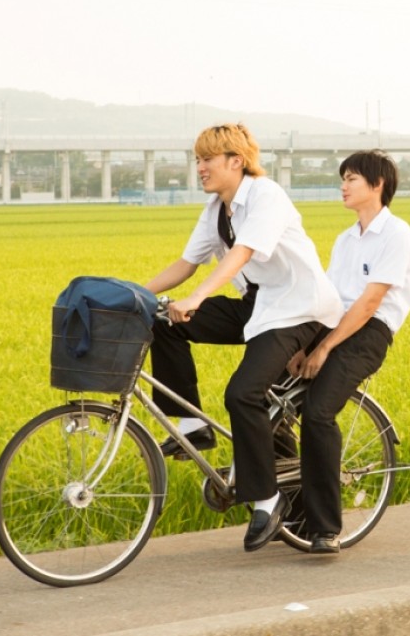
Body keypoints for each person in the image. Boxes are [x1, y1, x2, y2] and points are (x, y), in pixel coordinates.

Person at [145, 123, 342, 553]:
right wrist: (137, 294)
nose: (200, 168)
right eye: (197, 160)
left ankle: (267, 499)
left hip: (298, 308)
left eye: (207, 160)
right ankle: (193, 425)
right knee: (160, 321)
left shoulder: (266, 195)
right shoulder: (218, 208)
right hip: (259, 305)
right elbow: (187, 262)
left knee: (243, 394)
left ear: (236, 161)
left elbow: (242, 254)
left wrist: (197, 298)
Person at [287, 150, 410, 555]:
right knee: (265, 399)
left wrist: (324, 349)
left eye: (352, 179)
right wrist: (303, 343)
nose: (343, 186)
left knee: (318, 412)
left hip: (368, 333)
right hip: (332, 324)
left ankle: (325, 526)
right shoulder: (346, 240)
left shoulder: (398, 235)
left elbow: (368, 304)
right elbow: (330, 298)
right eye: (343, 178)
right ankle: (288, 508)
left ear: (377, 185)